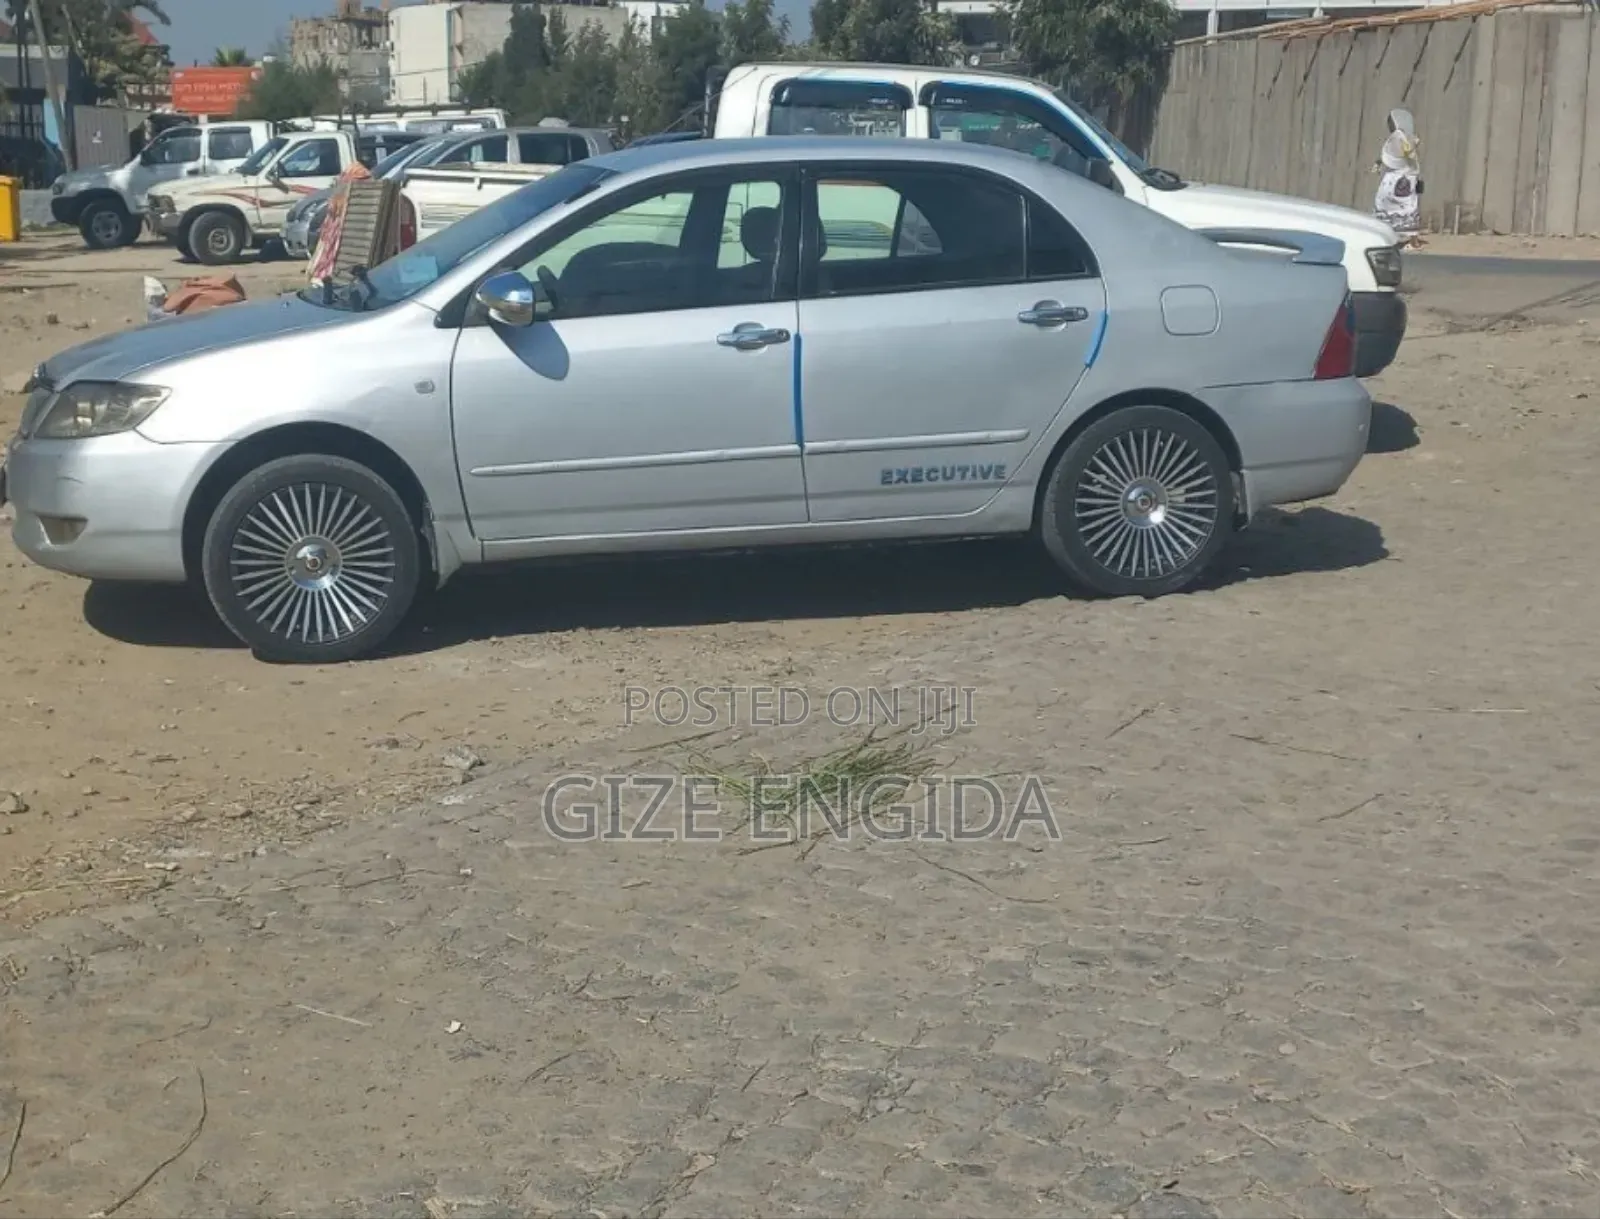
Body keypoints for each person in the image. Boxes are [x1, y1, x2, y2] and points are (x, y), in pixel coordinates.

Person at [1373, 107, 1424, 249]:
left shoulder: (1406, 138)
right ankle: (1385, 237)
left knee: (1409, 208)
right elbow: (1387, 153)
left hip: (1405, 177)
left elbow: (1409, 154)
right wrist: (1378, 164)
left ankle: (1414, 242)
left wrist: (1412, 146)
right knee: (1383, 205)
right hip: (1392, 177)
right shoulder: (1395, 138)